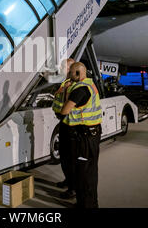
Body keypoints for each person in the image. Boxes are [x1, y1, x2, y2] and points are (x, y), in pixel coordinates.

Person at [59, 62, 103, 208]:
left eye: (71, 72)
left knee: (84, 173)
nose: (69, 75)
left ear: (78, 73)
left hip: (85, 138)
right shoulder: (90, 84)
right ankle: (87, 203)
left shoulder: (80, 90)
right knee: (88, 171)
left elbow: (64, 111)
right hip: (90, 134)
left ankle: (87, 205)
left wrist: (66, 93)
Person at [51, 58, 76, 199]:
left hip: (71, 125)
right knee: (64, 156)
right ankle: (68, 180)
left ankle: (73, 188)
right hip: (64, 123)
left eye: (64, 67)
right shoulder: (66, 82)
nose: (61, 69)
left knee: (71, 158)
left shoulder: (74, 84)